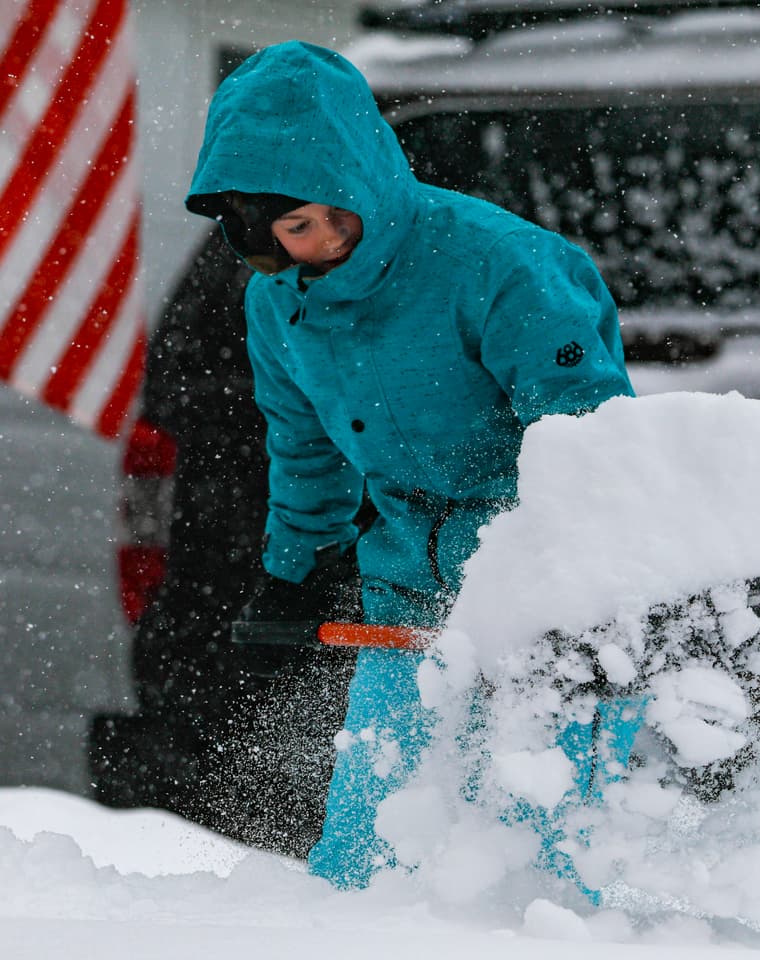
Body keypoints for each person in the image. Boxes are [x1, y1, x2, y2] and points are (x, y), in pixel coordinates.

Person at [185, 41, 634, 889]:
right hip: (408, 584)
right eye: (286, 234)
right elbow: (305, 445)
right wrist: (295, 570)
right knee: (366, 848)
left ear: (362, 177)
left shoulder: (497, 265)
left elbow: (588, 436)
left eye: (321, 218)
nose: (316, 247)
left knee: (545, 850)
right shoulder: (277, 302)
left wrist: (573, 589)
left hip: (547, 596)